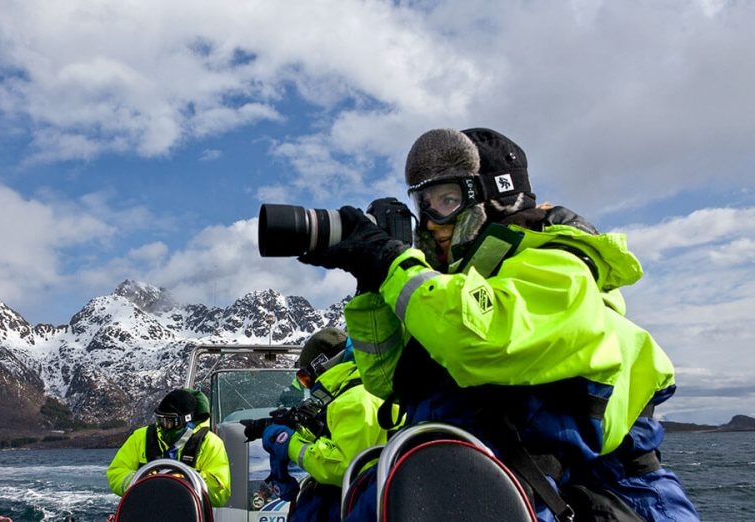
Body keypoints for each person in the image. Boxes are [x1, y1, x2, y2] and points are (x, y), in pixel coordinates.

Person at [299, 127, 699, 521]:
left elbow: (479, 341)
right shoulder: (452, 299)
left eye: (447, 201)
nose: (431, 223)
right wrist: (372, 285)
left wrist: (391, 262)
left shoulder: (560, 268)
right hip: (483, 486)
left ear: (494, 201)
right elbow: (387, 381)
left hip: (608, 498)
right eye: (424, 204)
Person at [258, 327, 395, 522]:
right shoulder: (364, 390)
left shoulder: (353, 400)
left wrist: (288, 443)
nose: (309, 385)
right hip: (375, 497)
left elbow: (344, 465)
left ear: (323, 365)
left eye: (305, 378)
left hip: (359, 503)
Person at [106, 387, 231, 507]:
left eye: (168, 421)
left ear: (185, 421)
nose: (162, 426)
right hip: (145, 511)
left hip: (188, 512)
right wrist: (141, 479)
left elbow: (221, 493)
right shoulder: (140, 437)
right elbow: (116, 473)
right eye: (159, 420)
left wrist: (186, 480)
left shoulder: (211, 443)